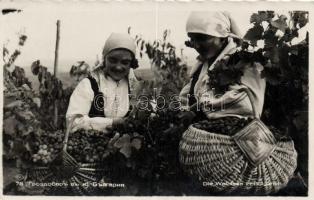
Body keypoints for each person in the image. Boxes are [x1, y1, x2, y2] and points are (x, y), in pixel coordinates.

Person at [178, 11, 266, 123]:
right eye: (192, 39)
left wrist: (195, 112)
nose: (196, 45)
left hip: (234, 138)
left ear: (223, 37)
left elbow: (244, 105)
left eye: (202, 38)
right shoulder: (202, 66)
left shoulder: (244, 62)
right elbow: (186, 98)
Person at [66, 33, 139, 133]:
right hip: (91, 146)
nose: (118, 67)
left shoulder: (136, 87)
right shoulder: (89, 85)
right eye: (113, 60)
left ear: (131, 63)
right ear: (104, 59)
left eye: (125, 62)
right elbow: (73, 122)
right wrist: (112, 123)